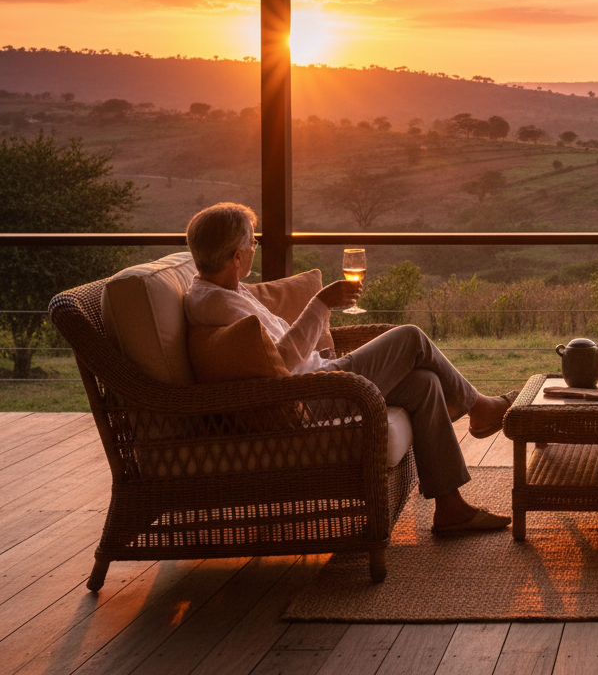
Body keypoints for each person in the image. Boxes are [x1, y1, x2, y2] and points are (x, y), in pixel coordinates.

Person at [183, 202, 515, 533]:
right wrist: (322, 303)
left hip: (316, 375)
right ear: (237, 257)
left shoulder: (225, 290)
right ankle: (481, 408)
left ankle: (450, 508)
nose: (255, 248)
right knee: (410, 338)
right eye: (252, 244)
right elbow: (283, 362)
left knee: (424, 383)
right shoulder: (217, 303)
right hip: (312, 391)